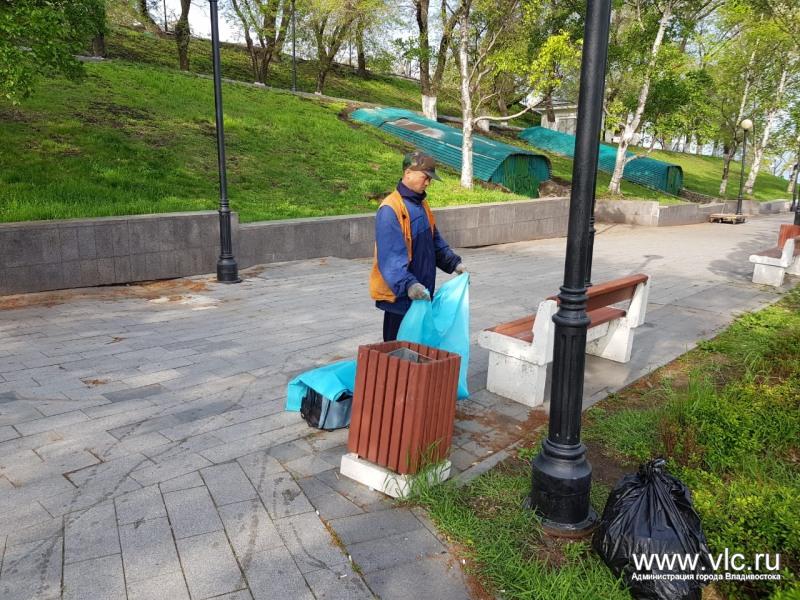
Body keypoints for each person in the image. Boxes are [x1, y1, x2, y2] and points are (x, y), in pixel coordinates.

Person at [370, 151, 467, 342]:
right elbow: (390, 259)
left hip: (421, 295)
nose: (428, 183)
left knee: (418, 350)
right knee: (397, 351)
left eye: (430, 179)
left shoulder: (422, 205)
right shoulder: (391, 209)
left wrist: (454, 263)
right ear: (408, 173)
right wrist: (409, 285)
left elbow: (434, 241)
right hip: (400, 298)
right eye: (425, 177)